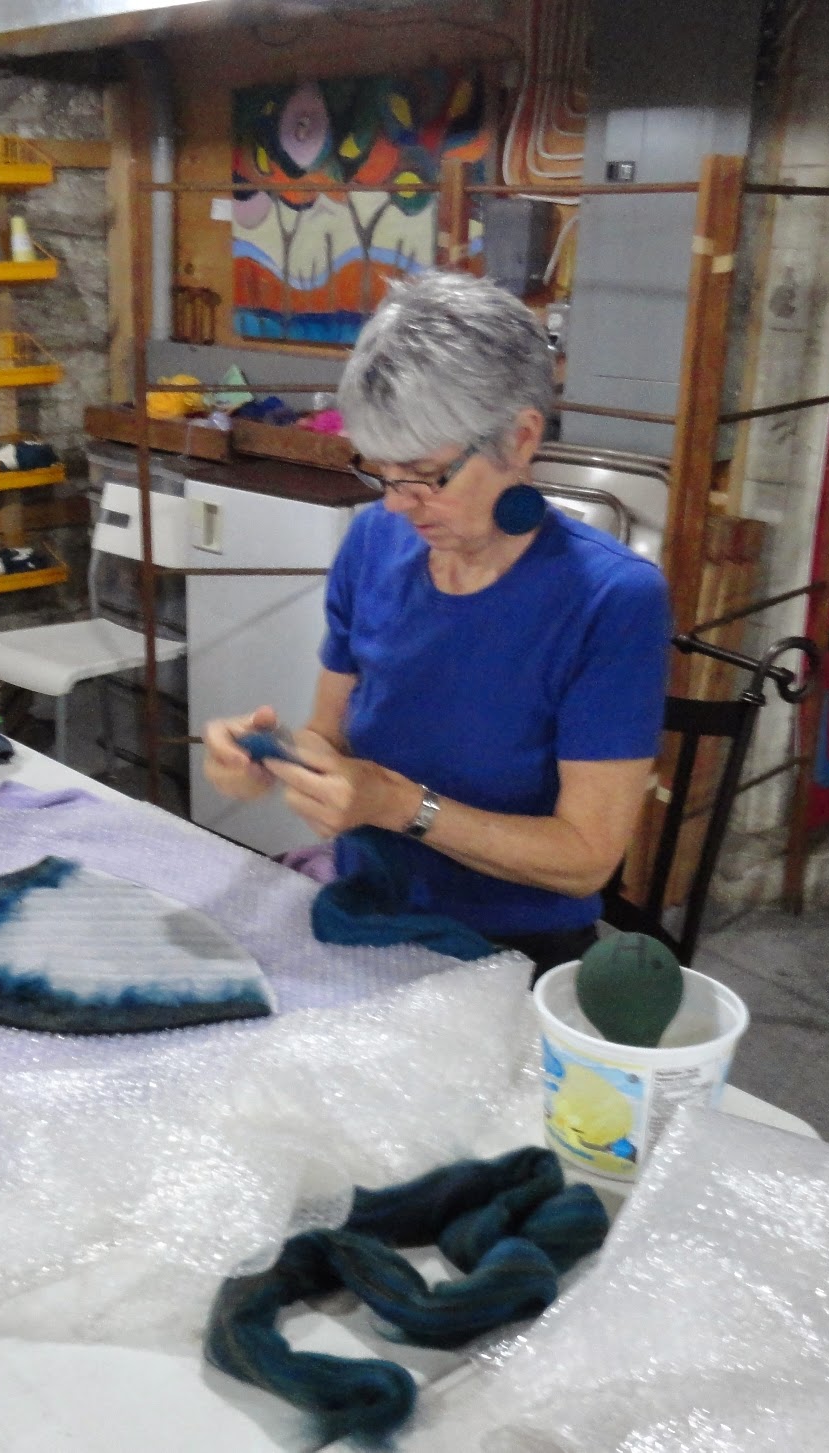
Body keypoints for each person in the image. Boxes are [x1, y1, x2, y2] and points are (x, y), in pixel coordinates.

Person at [201, 271, 672, 980]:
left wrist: (397, 805)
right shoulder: (374, 542)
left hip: (511, 953)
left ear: (519, 438)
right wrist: (270, 760)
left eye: (425, 474)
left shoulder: (612, 600)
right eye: (382, 472)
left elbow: (585, 858)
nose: (398, 504)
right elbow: (331, 734)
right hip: (366, 907)